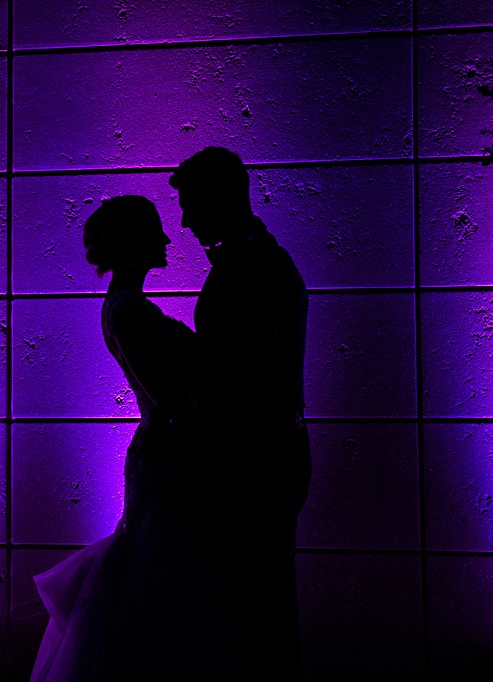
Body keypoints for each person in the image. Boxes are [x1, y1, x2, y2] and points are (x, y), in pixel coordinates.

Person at [30, 195, 237, 681]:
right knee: (162, 570)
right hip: (171, 456)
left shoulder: (129, 307)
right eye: (154, 232)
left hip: (166, 452)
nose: (167, 239)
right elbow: (168, 397)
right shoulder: (127, 311)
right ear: (132, 246)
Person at [169, 147, 312, 681]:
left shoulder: (256, 267)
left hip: (257, 459)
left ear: (220, 199)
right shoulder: (252, 261)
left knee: (259, 609)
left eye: (190, 204)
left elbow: (239, 376)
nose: (182, 220)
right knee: (257, 606)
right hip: (261, 453)